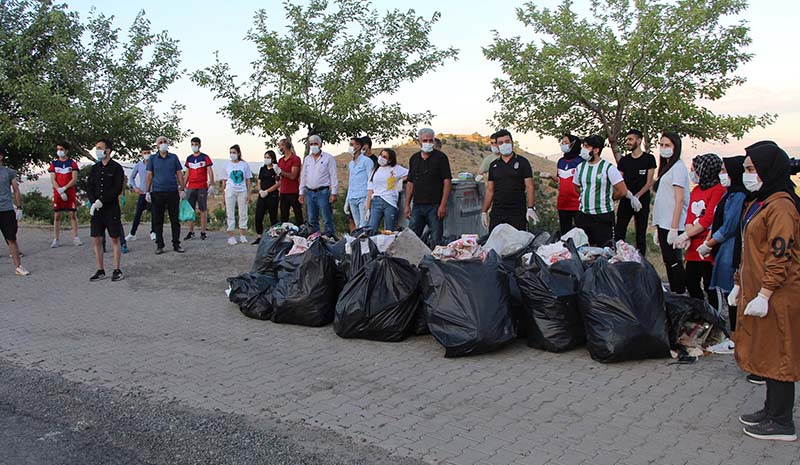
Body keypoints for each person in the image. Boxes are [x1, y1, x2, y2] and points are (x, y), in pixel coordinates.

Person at [731, 141, 799, 442]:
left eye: (751, 169)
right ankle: (771, 410)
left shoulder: (781, 206)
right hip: (763, 291)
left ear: (767, 170)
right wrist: (739, 283)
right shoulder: (764, 202)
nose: (746, 175)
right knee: (769, 351)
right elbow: (751, 251)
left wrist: (766, 292)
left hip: (779, 294)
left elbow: (780, 254)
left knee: (781, 352)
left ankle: (782, 422)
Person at [702, 156, 748, 355]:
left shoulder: (739, 197)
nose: (721, 174)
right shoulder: (729, 194)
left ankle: (735, 339)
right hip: (724, 249)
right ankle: (734, 337)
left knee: (733, 294)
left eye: (724, 171)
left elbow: (729, 226)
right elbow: (717, 220)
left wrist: (709, 243)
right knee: (730, 295)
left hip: (731, 250)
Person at [673, 153, 725, 311]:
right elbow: (690, 215)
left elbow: (709, 219)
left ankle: (715, 314)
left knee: (710, 284)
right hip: (693, 245)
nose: (692, 173)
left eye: (694, 169)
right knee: (691, 282)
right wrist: (688, 234)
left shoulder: (719, 190)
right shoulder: (696, 190)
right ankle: (700, 312)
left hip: (707, 245)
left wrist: (686, 234)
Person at [572, 135, 636, 247]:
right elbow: (577, 187)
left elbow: (622, 190)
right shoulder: (580, 167)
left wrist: (608, 198)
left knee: (605, 249)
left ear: (596, 150)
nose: (583, 149)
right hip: (583, 215)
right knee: (583, 249)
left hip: (602, 216)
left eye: (586, 146)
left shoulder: (608, 168)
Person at [652, 132, 690, 294]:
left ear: (676, 147)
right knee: (668, 260)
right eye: (661, 145)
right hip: (663, 223)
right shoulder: (666, 168)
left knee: (674, 261)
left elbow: (679, 200)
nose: (663, 148)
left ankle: (680, 293)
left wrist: (674, 228)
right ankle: (675, 293)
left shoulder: (678, 168)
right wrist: (657, 226)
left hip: (672, 224)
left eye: (667, 145)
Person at [480, 129, 537, 232]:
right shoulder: (493, 165)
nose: (504, 144)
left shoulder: (523, 162)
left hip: (517, 212)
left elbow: (530, 186)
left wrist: (530, 208)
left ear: (512, 143)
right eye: (501, 143)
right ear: (497, 146)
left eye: (507, 141)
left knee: (518, 241)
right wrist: (484, 211)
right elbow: (490, 190)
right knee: (495, 239)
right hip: (498, 212)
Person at [405, 127, 452, 247]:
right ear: (419, 142)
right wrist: (407, 205)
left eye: (431, 140)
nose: (428, 143)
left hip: (435, 206)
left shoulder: (441, 158)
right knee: (411, 239)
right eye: (425, 140)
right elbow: (410, 183)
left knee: (436, 241)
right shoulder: (414, 158)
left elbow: (447, 181)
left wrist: (443, 205)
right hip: (417, 206)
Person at [87, 139, 124, 282]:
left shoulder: (116, 168)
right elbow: (90, 186)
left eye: (99, 148)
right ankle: (100, 269)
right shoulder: (94, 168)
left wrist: (102, 200)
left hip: (111, 208)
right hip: (96, 209)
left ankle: (117, 269)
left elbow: (117, 188)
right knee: (97, 238)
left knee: (115, 238)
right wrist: (93, 201)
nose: (97, 150)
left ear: (108, 150)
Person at [614, 129, 657, 253]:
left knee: (641, 235)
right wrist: (629, 196)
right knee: (619, 232)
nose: (628, 142)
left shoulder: (649, 159)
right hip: (626, 199)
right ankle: (618, 256)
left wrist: (637, 196)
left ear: (639, 141)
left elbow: (649, 182)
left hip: (642, 201)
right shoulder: (624, 161)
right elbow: (619, 180)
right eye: (627, 140)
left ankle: (641, 260)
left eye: (630, 139)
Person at [145, 136, 186, 254]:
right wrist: (147, 191)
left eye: (165, 142)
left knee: (174, 220)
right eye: (160, 142)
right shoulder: (153, 159)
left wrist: (182, 188)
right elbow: (149, 175)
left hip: (172, 191)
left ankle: (176, 244)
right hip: (157, 192)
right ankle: (160, 245)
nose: (163, 144)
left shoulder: (173, 157)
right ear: (157, 145)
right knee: (158, 220)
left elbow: (179, 173)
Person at [539, 134, 584, 234]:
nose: (563, 145)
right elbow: (560, 179)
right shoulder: (561, 161)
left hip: (578, 204)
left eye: (566, 142)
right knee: (564, 233)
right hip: (563, 203)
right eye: (562, 142)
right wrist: (550, 176)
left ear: (573, 144)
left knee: (580, 233)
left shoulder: (581, 162)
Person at [299, 135, 338, 237]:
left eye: (315, 144)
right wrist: (301, 193)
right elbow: (304, 175)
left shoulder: (328, 158)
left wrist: (334, 193)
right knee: (312, 219)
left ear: (320, 145)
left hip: (323, 192)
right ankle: (315, 239)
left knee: (326, 218)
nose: (313, 146)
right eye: (311, 144)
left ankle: (330, 238)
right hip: (309, 192)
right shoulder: (307, 159)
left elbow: (333, 175)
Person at [0, 148, 30, 276]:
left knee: (11, 238)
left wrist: (19, 207)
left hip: (6, 208)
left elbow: (16, 190)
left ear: (1, 156)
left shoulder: (9, 172)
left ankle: (18, 267)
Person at [48, 142, 82, 248]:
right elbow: (53, 179)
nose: (59, 151)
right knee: (57, 216)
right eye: (58, 149)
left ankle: (76, 238)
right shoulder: (54, 164)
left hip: (69, 192)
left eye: (61, 149)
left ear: (66, 150)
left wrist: (65, 188)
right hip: (58, 193)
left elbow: (74, 179)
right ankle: (56, 239)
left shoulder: (72, 163)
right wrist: (59, 190)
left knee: (72, 214)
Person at [366, 148, 408, 231]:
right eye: (381, 155)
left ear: (390, 160)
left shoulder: (396, 168)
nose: (381, 158)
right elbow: (370, 190)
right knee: (371, 228)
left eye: (384, 157)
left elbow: (411, 173)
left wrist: (401, 180)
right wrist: (368, 208)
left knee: (389, 230)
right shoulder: (375, 170)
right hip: (376, 200)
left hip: (390, 201)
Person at [183, 137, 214, 241]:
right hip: (191, 187)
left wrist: (212, 184)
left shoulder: (205, 157)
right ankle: (191, 232)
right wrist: (182, 187)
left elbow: (210, 170)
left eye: (196, 144)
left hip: (202, 187)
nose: (194, 146)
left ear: (200, 145)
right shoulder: (189, 158)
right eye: (192, 144)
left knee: (202, 209)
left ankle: (203, 232)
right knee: (190, 210)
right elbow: (187, 173)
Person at [222, 144, 253, 245]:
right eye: (230, 152)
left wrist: (249, 193)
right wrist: (223, 195)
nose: (232, 154)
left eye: (234, 152)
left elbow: (248, 179)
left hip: (242, 190)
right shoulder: (227, 165)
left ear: (238, 153)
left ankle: (242, 234)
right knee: (230, 213)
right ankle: (231, 236)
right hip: (230, 190)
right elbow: (224, 181)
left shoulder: (244, 164)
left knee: (243, 213)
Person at [345, 136, 375, 228]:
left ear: (358, 147)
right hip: (352, 197)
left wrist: (368, 199)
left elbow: (371, 180)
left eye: (352, 144)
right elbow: (351, 182)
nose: (350, 147)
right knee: (357, 225)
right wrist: (347, 200)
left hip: (363, 196)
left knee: (363, 225)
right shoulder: (351, 164)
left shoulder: (367, 161)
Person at [126, 146, 154, 242]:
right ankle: (132, 233)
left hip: (153, 192)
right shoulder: (139, 165)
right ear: (142, 154)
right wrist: (135, 188)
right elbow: (131, 177)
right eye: (145, 153)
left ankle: (153, 232)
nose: (146, 154)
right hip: (142, 192)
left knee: (154, 213)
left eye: (148, 152)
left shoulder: (154, 164)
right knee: (138, 213)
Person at [253, 150, 280, 245]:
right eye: (265, 157)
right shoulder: (262, 169)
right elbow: (259, 181)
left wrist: (267, 191)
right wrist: (260, 190)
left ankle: (274, 237)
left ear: (272, 158)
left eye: (268, 157)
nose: (266, 159)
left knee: (273, 217)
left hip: (272, 195)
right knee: (258, 216)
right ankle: (259, 236)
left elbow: (278, 183)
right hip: (262, 195)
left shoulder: (276, 169)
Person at [277, 138, 303, 225]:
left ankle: (301, 230)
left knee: (298, 214)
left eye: (280, 146)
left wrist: (281, 172)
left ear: (284, 146)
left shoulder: (295, 159)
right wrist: (276, 173)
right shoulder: (280, 160)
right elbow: (279, 177)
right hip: (283, 191)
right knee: (284, 216)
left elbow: (293, 176)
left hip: (293, 191)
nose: (279, 148)